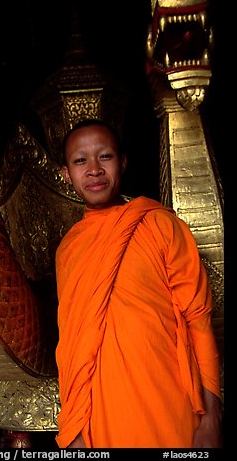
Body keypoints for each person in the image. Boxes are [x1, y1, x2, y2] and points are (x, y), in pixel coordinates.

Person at [54, 119, 222, 448]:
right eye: (80, 160)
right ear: (65, 174)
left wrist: (212, 416)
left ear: (123, 162)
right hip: (100, 414)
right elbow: (71, 345)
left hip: (169, 402)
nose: (93, 170)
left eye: (105, 157)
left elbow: (198, 319)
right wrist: (73, 427)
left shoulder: (159, 224)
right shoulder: (68, 249)